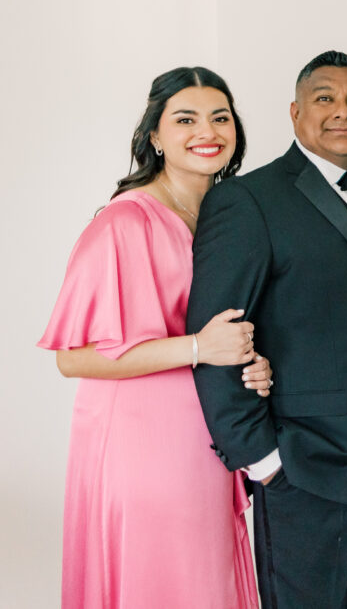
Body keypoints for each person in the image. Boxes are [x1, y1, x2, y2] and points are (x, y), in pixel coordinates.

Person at [38, 66, 272, 608]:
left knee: (204, 581)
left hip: (211, 434)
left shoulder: (226, 215)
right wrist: (197, 349)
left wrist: (251, 362)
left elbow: (229, 327)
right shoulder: (124, 223)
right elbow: (71, 359)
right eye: (185, 119)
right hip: (142, 445)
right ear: (155, 136)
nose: (206, 131)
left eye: (220, 117)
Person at [187, 51, 347, 608]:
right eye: (325, 98)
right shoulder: (247, 200)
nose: (343, 111)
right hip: (307, 466)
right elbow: (218, 333)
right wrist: (263, 460)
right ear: (294, 113)